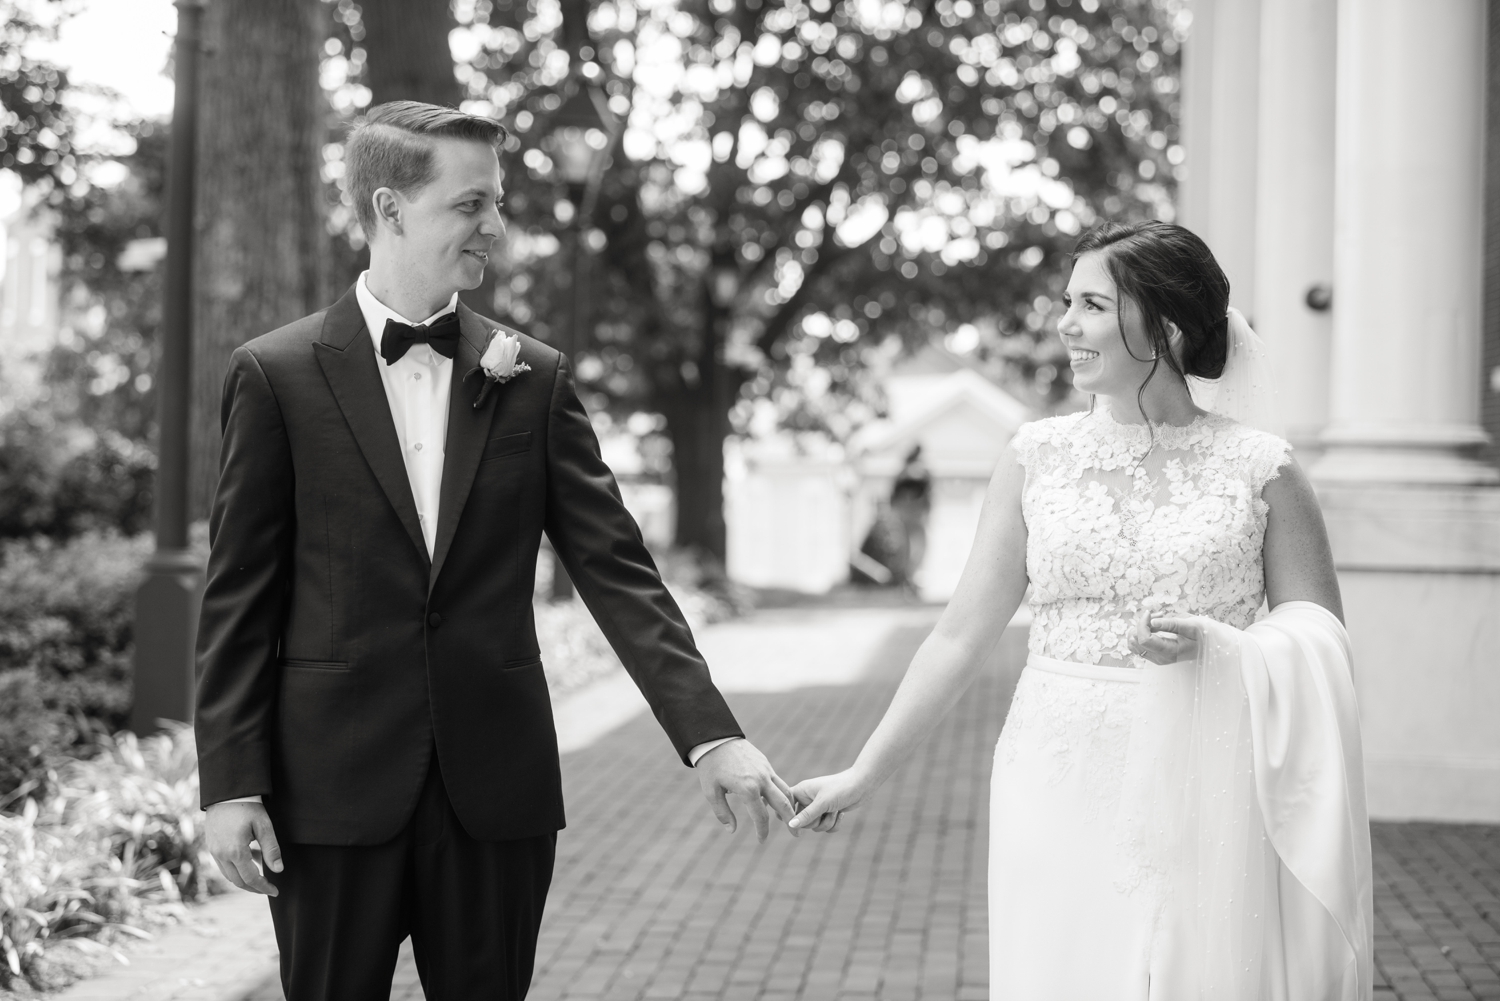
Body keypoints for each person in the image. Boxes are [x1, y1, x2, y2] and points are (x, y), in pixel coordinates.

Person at [194, 101, 796, 1001]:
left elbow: (618, 572)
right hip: (332, 787)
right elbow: (239, 595)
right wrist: (230, 782)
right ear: (390, 209)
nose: (495, 227)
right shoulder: (275, 375)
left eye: (498, 202)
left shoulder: (535, 378)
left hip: (496, 793)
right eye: (471, 203)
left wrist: (711, 734)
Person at [789, 221, 1374, 999]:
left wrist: (1223, 646)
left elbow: (1323, 640)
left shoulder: (1260, 467)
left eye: (1092, 304)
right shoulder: (1035, 457)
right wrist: (864, 772)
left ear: (1163, 325)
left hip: (1204, 769)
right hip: (1053, 768)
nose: (1065, 323)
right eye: (1067, 301)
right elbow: (960, 635)